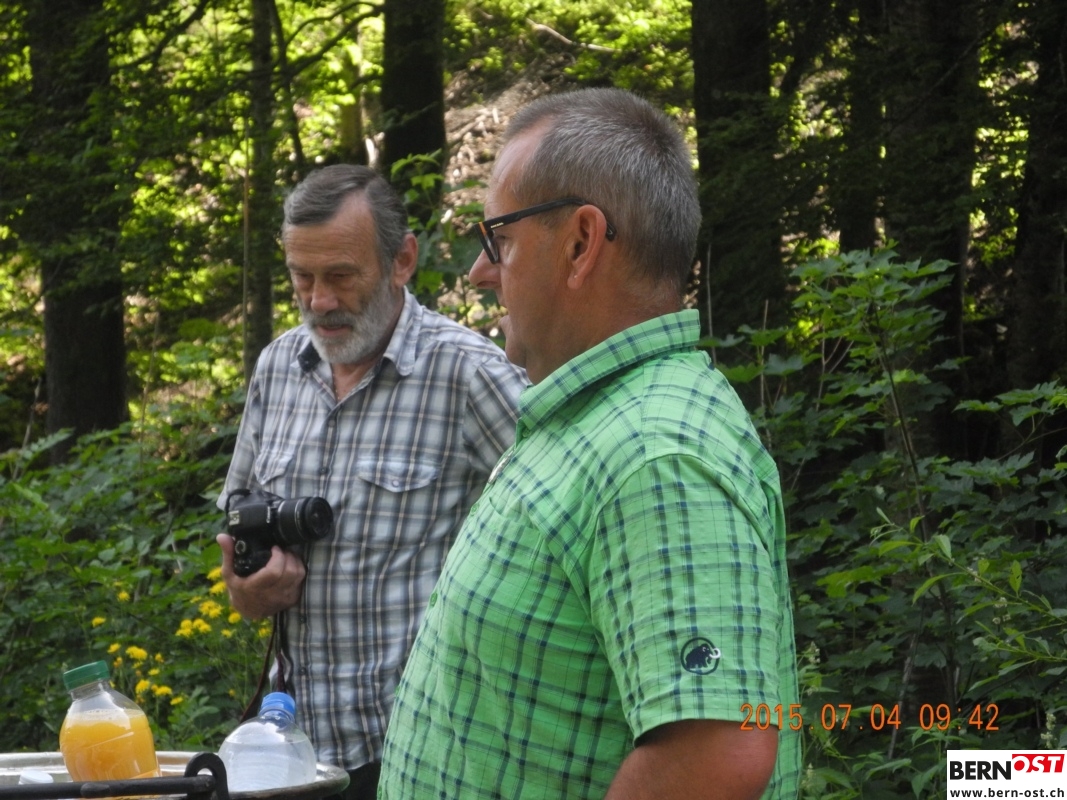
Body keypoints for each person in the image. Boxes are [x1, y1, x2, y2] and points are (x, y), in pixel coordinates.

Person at [378, 88, 801, 799]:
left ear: (579, 244)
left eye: (499, 239)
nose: (479, 271)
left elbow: (716, 757)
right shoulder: (598, 419)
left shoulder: (655, 455)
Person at [216, 164, 527, 800]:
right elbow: (236, 522)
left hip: (424, 754)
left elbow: (566, 524)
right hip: (293, 755)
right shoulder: (277, 367)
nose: (319, 301)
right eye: (303, 277)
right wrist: (245, 589)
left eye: (340, 276)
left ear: (402, 260)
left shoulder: (469, 374)